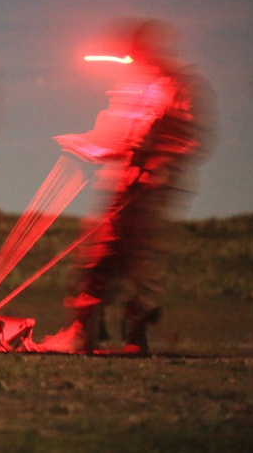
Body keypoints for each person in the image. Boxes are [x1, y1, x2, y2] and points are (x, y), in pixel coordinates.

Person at [37, 18, 218, 355]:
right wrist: (85, 145)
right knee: (99, 255)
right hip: (123, 184)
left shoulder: (184, 86)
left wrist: (159, 167)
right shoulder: (134, 87)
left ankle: (136, 337)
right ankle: (81, 334)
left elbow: (192, 137)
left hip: (155, 191)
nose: (134, 59)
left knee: (141, 261)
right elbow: (115, 136)